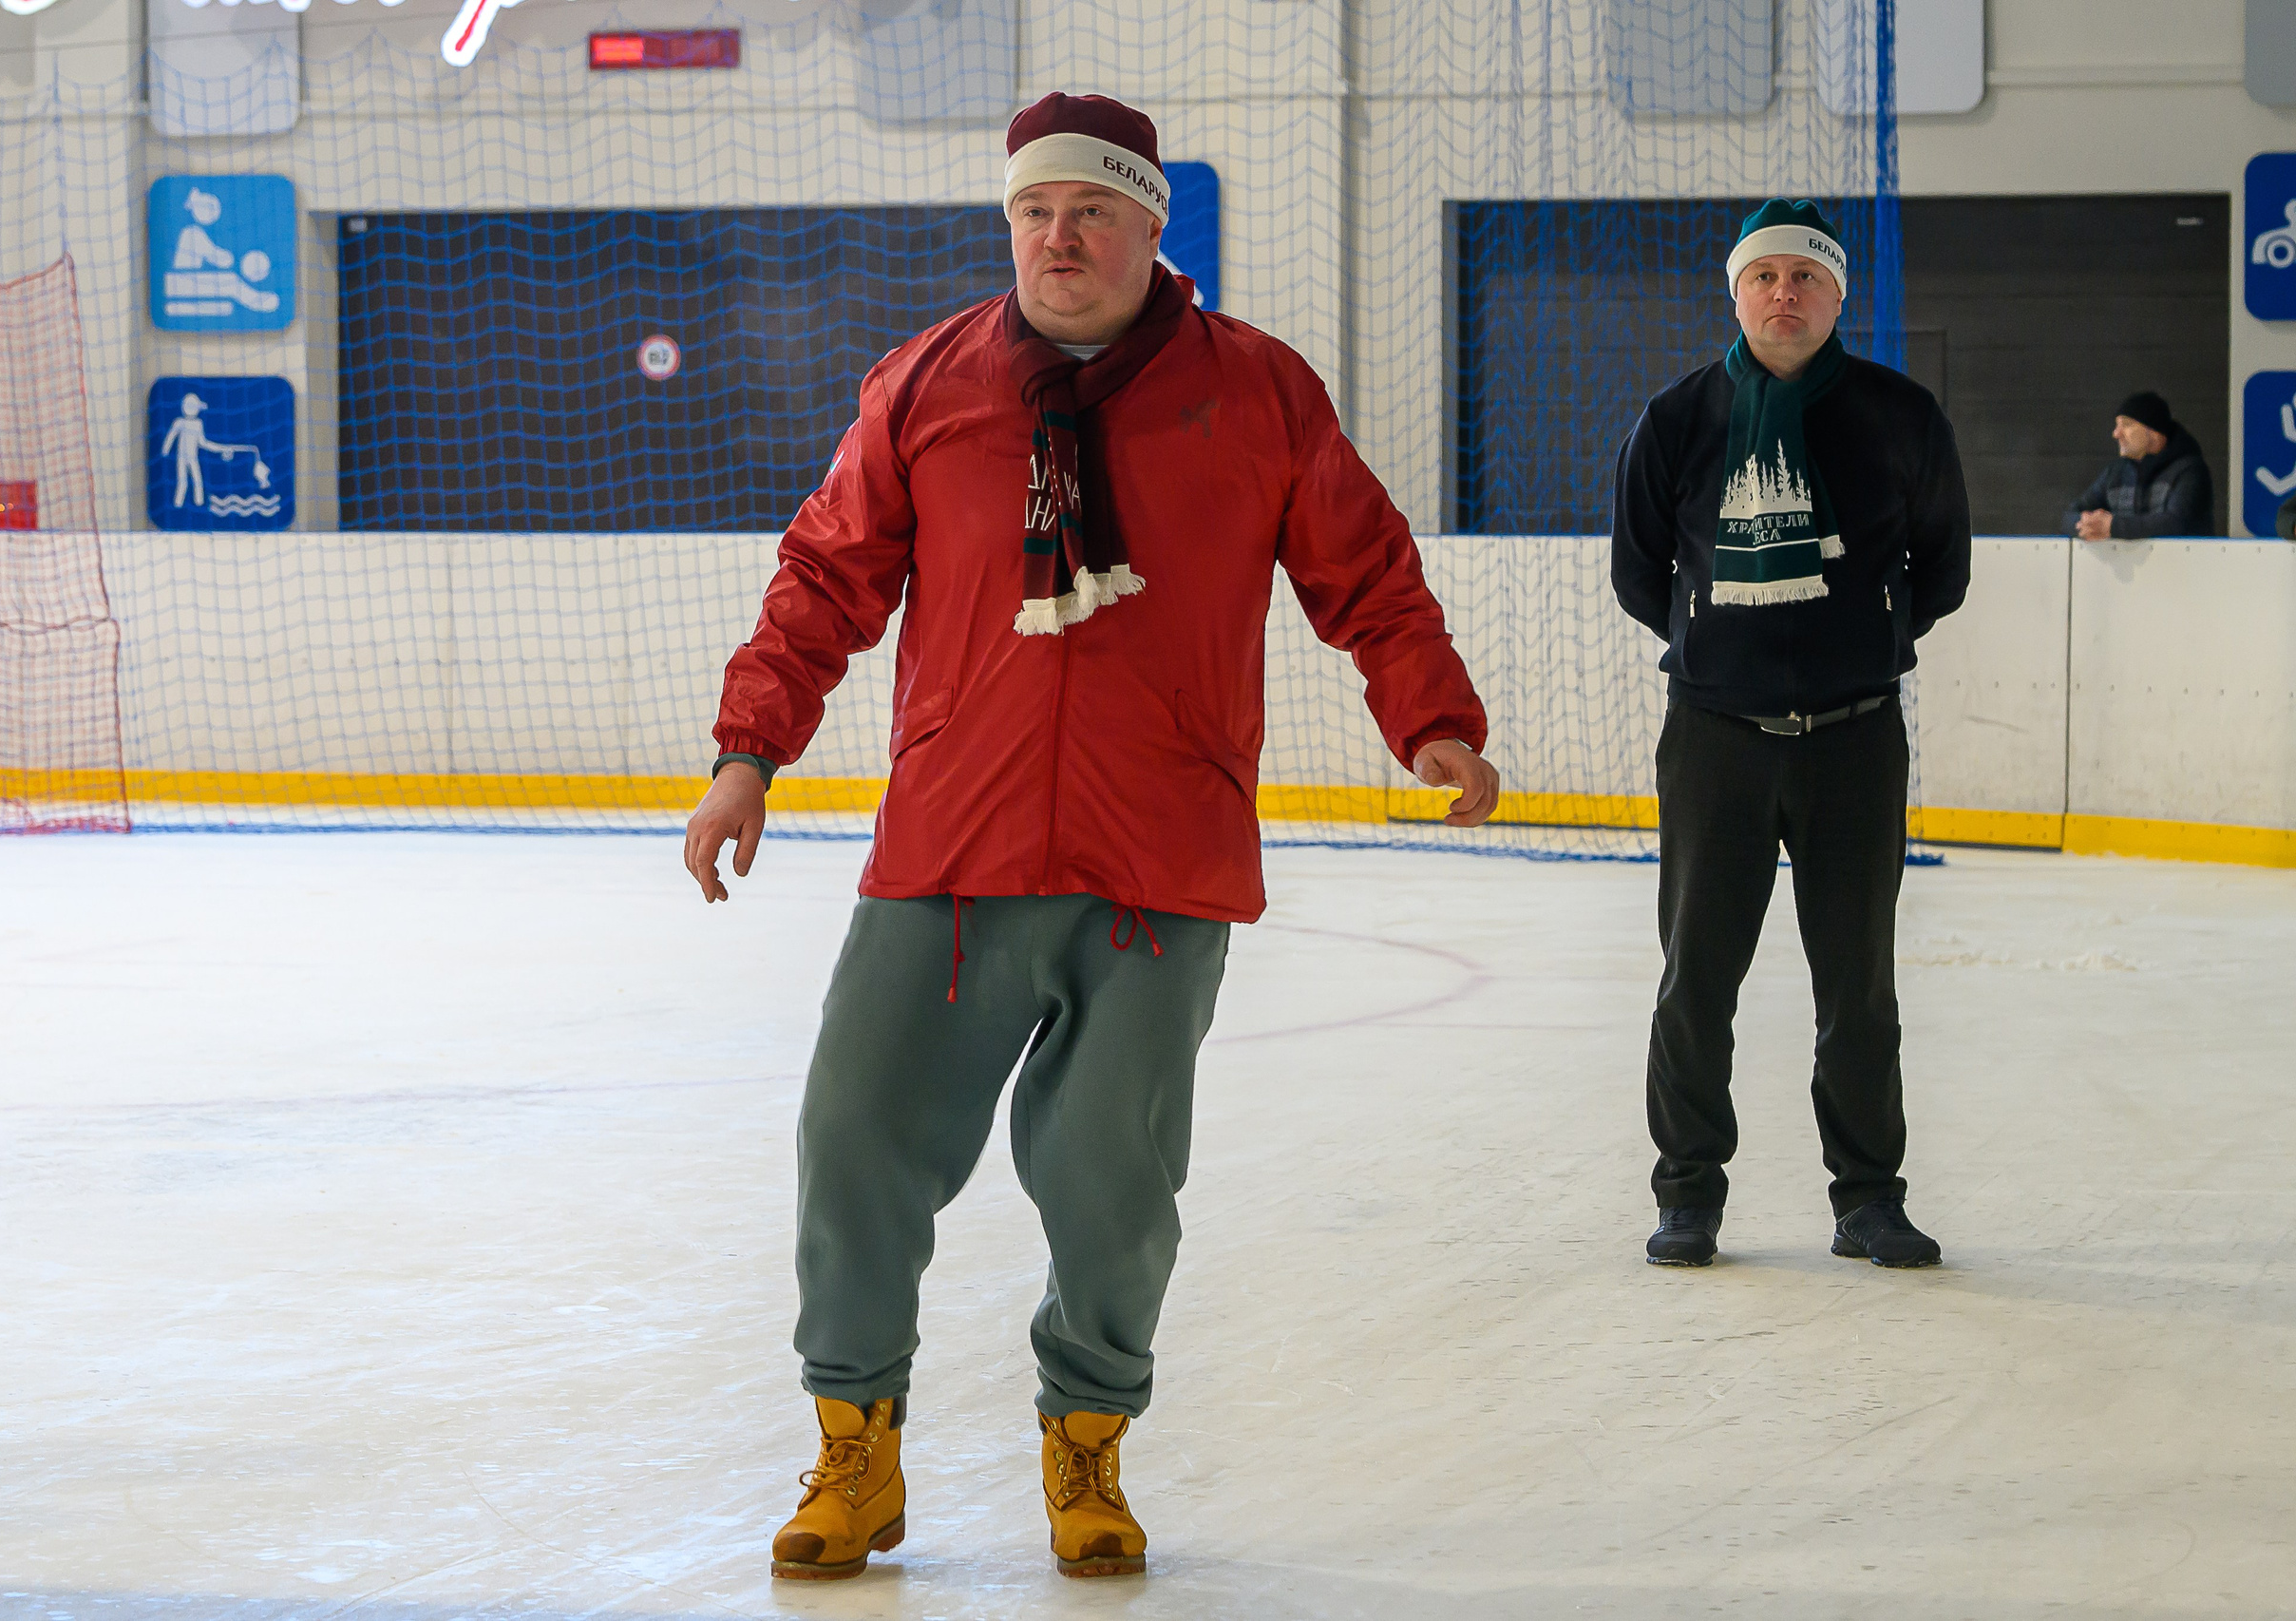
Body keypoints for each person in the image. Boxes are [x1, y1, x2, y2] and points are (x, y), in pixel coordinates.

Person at [684, 91, 1498, 1582]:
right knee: (854, 1140)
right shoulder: (929, 383)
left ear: (1149, 226)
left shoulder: (1255, 391)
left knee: (1111, 1187)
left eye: (1093, 212)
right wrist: (750, 753)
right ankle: (854, 1455)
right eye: (1035, 213)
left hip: (1158, 859)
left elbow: (1364, 571)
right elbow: (826, 576)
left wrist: (1429, 713)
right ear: (1012, 225)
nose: (1061, 238)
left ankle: (1087, 1449)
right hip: (949, 845)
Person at [1609, 199, 1970, 1272]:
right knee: (1695, 978)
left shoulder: (1899, 416)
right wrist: (1723, 649)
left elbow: (1941, 569)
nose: (1784, 294)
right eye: (1764, 277)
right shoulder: (1677, 420)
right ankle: (1688, 1197)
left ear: (1836, 295)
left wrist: (1865, 638)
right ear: (1735, 293)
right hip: (1717, 736)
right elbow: (1639, 575)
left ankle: (1868, 1198)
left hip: (1854, 741)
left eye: (1805, 278)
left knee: (1856, 983)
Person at [2065, 392, 2213, 539]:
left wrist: (2113, 526)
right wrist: (2084, 525)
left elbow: (2176, 523)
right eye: (2117, 426)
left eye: (2127, 425)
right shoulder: (2115, 472)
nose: (2116, 434)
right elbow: (2069, 515)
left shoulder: (2190, 470)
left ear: (2154, 431)